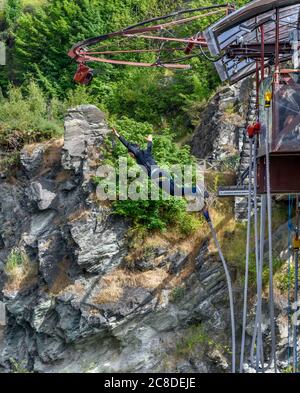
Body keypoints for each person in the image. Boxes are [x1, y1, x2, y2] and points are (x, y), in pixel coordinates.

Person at [112, 127, 207, 200]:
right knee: (176, 191)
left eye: (130, 154)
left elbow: (128, 145)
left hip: (157, 175)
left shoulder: (138, 153)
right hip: (163, 173)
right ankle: (199, 192)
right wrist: (150, 140)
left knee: (174, 192)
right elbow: (150, 144)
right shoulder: (147, 152)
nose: (130, 156)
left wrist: (118, 135)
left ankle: (196, 189)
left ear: (132, 152)